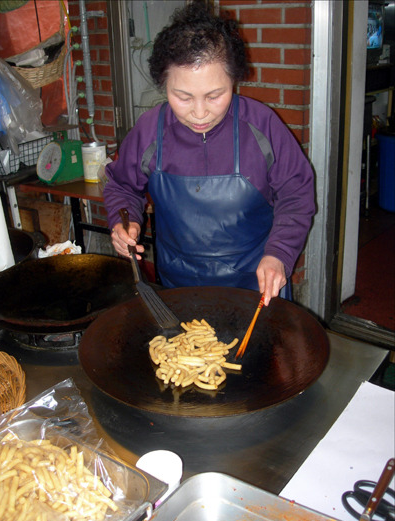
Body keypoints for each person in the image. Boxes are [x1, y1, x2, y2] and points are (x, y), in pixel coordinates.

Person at [103, 1, 315, 306]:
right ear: (164, 85)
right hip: (178, 290)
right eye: (183, 96)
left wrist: (279, 254)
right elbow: (122, 186)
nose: (199, 113)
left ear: (234, 80)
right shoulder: (151, 130)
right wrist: (123, 221)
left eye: (215, 95)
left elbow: (297, 193)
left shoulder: (262, 125)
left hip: (256, 289)